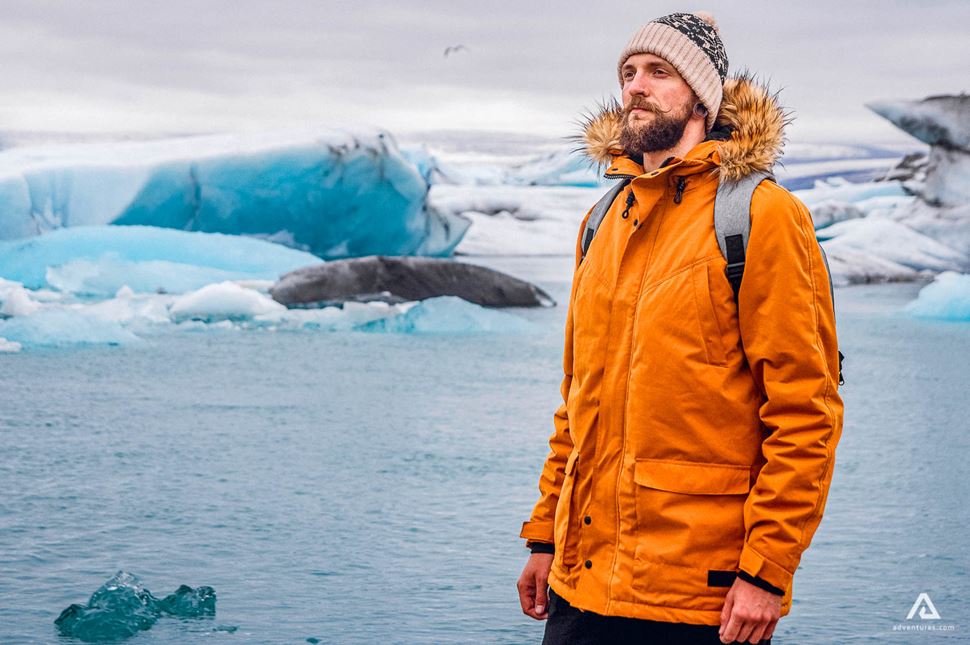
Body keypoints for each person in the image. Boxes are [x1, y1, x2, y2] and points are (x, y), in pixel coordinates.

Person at [516, 12, 844, 645]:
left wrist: (767, 574)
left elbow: (806, 411)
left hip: (703, 597)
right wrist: (543, 535)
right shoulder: (602, 219)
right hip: (581, 588)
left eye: (659, 72)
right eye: (628, 72)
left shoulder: (758, 215)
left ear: (702, 95)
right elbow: (579, 401)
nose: (637, 85)